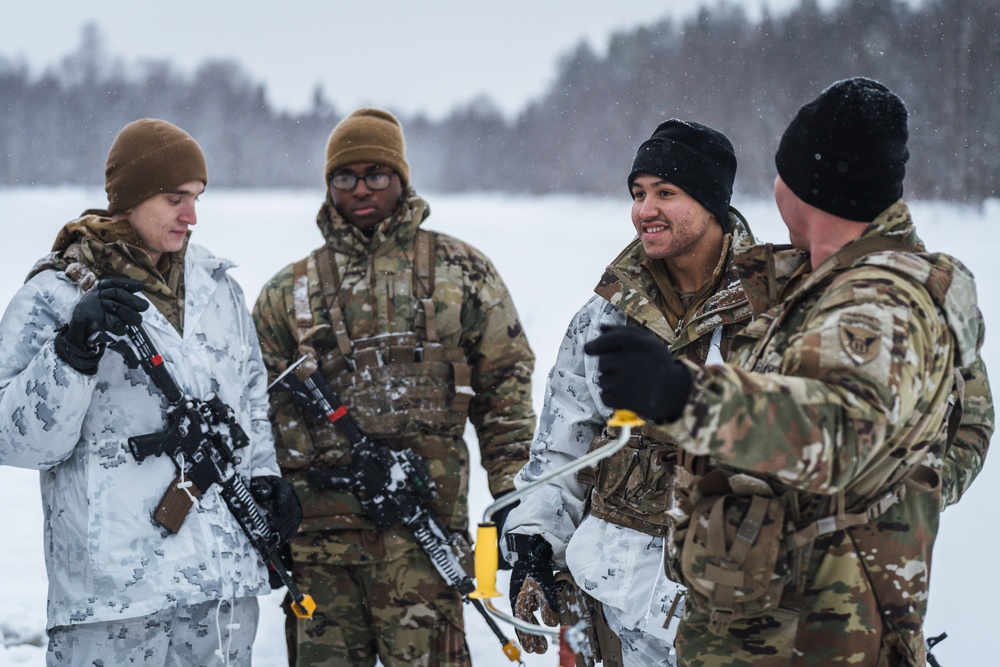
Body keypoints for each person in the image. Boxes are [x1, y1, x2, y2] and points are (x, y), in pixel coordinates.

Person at [585, 77, 992, 666]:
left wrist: (686, 398)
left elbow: (841, 428)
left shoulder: (876, 304)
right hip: (775, 618)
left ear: (805, 188)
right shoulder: (827, 282)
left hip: (815, 633)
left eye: (783, 171)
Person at [0, 119, 300, 666]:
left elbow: (251, 402)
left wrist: (265, 479)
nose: (191, 216)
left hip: (220, 596)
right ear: (130, 199)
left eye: (197, 198)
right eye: (174, 198)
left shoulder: (219, 289)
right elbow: (13, 441)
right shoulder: (54, 295)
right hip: (114, 603)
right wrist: (72, 352)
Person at [252, 107, 536, 666]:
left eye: (376, 174)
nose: (361, 189)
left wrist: (515, 497)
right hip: (319, 550)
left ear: (401, 178)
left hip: (424, 544)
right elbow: (254, 407)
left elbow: (506, 388)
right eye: (345, 177)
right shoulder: (288, 291)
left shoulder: (461, 272)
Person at [500, 119, 756, 666]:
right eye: (638, 194)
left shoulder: (770, 312)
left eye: (667, 192)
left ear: (712, 202)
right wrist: (535, 543)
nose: (645, 210)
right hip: (614, 611)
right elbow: (559, 452)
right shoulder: (604, 316)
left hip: (733, 618)